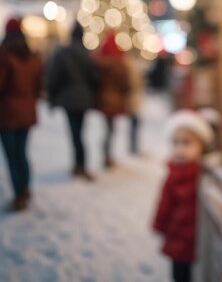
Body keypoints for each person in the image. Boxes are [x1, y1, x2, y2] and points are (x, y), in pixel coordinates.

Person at [153, 109, 216, 282]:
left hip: (198, 236)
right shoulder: (173, 172)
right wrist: (160, 224)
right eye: (175, 143)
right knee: (180, 273)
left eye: (186, 143)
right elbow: (164, 202)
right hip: (178, 234)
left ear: (201, 146)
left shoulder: (203, 174)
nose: (179, 148)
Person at [47, 23, 100, 180]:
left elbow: (54, 78)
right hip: (83, 99)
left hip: (69, 100)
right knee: (80, 133)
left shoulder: (62, 54)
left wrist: (53, 96)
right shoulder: (87, 54)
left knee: (74, 133)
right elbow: (95, 79)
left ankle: (78, 165)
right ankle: (81, 164)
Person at [0, 18, 43, 211]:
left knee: (12, 157)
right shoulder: (32, 56)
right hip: (26, 110)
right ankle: (25, 189)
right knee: (22, 154)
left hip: (7, 113)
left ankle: (19, 196)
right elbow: (38, 87)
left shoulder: (4, 55)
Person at [94, 31, 130, 168]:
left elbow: (95, 82)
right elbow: (125, 84)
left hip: (103, 100)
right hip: (116, 101)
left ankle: (106, 155)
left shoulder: (98, 62)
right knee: (111, 130)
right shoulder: (120, 63)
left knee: (107, 129)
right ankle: (107, 156)